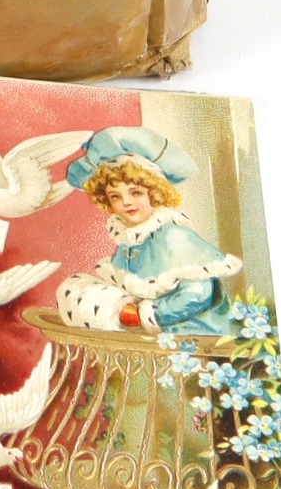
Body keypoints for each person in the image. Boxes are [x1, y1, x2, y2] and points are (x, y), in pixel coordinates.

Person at [55, 127, 243, 335]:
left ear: (155, 193)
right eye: (115, 196)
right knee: (78, 286)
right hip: (152, 334)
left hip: (195, 332)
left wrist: (145, 314)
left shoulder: (174, 236)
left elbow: (198, 293)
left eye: (135, 193)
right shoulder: (129, 241)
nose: (126, 202)